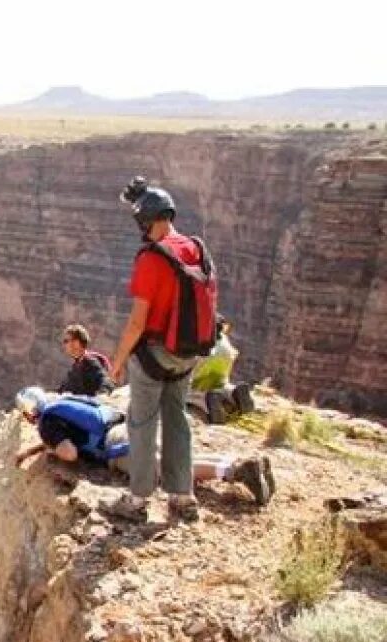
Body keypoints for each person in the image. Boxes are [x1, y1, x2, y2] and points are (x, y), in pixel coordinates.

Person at [107, 176, 219, 522]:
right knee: (177, 418)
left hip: (154, 354)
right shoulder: (195, 248)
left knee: (141, 422)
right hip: (189, 354)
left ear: (147, 221)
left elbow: (138, 322)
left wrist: (119, 359)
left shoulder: (152, 259)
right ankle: (182, 497)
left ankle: (137, 500)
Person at [13, 387, 274, 506]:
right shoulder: (65, 402)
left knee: (166, 470)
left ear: (29, 412)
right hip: (126, 426)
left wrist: (50, 449)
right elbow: (74, 429)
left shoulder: (46, 422)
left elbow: (68, 452)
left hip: (115, 447)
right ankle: (238, 462)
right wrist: (34, 449)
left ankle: (235, 473)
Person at [190, 315, 256, 424]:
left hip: (204, 367)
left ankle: (207, 403)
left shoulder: (201, 337)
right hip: (223, 364)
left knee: (190, 394)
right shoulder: (224, 339)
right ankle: (232, 393)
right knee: (221, 384)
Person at [57, 324, 114, 396]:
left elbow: (105, 380)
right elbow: (63, 389)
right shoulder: (74, 368)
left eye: (74, 340)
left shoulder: (91, 361)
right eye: (66, 341)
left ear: (82, 341)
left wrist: (102, 395)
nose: (70, 344)